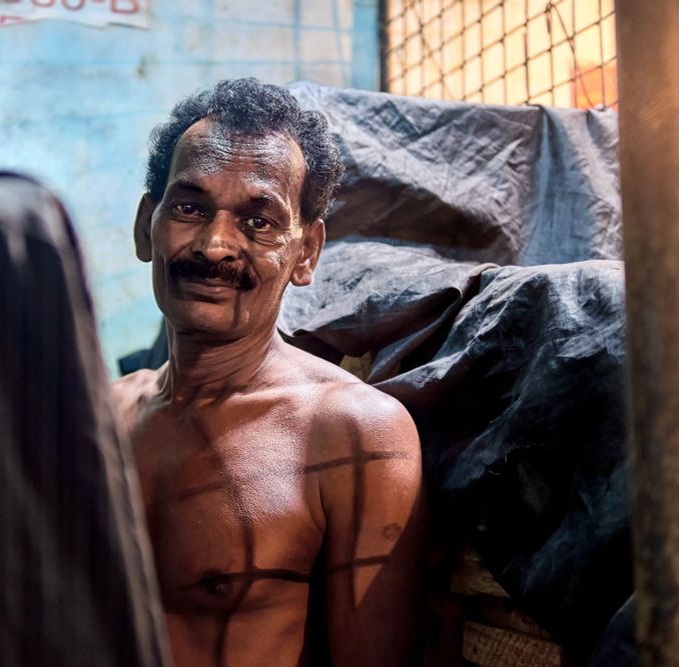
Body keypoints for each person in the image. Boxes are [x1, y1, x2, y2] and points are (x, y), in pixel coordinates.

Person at [111, 79, 425, 666]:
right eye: (189, 208)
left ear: (305, 253)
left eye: (257, 221)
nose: (213, 245)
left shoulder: (354, 434)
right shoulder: (99, 417)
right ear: (144, 226)